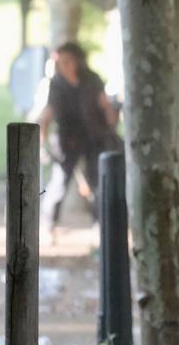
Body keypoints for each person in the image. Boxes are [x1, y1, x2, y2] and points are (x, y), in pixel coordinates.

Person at [36, 42, 120, 244]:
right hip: (68, 141)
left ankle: (102, 229)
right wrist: (41, 142)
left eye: (66, 61)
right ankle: (48, 226)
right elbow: (48, 113)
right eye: (60, 62)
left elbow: (106, 108)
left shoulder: (92, 79)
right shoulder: (56, 84)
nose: (62, 65)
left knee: (98, 185)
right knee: (58, 184)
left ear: (76, 61)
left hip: (94, 138)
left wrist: (110, 120)